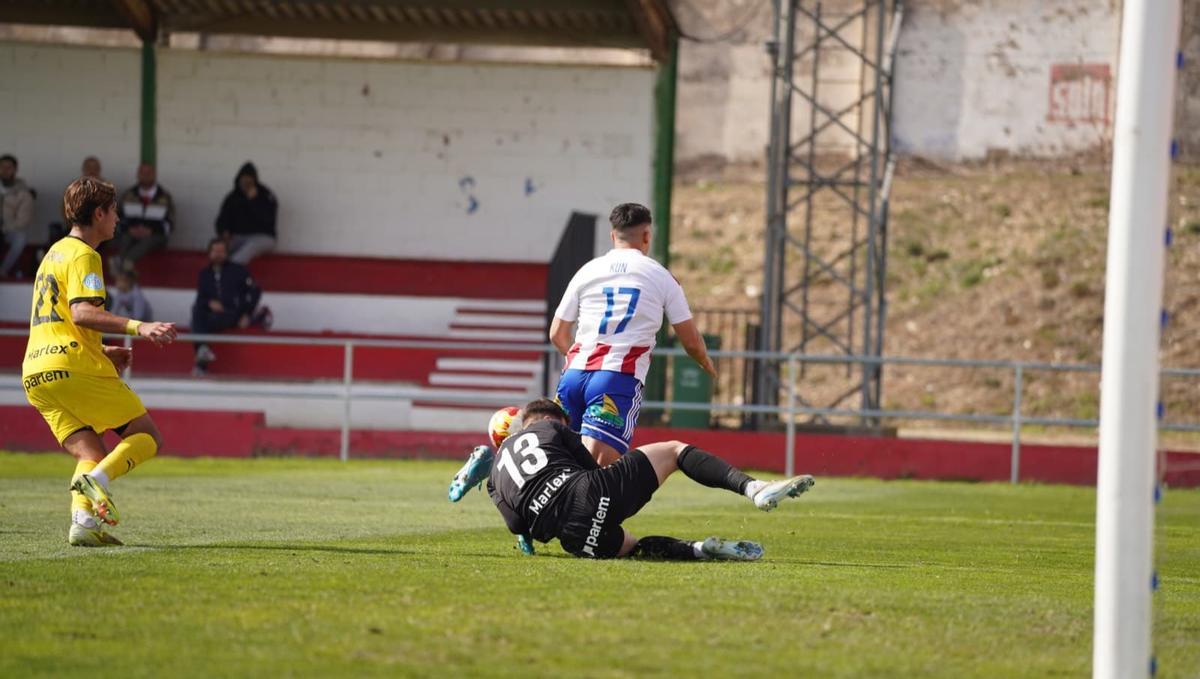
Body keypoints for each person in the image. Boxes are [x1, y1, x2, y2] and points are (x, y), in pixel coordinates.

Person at [22, 176, 177, 547]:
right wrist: (140, 327)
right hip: (73, 367)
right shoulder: (85, 255)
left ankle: (83, 523)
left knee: (91, 451)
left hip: (37, 373)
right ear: (99, 213)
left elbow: (58, 321)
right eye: (114, 212)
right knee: (147, 436)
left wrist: (103, 351)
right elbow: (81, 313)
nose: (118, 220)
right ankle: (97, 483)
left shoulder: (52, 254)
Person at [486, 399, 815, 560]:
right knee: (673, 450)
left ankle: (700, 550)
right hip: (588, 492)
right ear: (545, 418)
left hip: (573, 537)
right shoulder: (551, 426)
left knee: (631, 548)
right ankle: (754, 488)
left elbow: (517, 525)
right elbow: (592, 471)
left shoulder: (492, 477)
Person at [550, 202, 717, 466]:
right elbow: (692, 341)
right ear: (647, 236)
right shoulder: (661, 277)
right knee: (599, 475)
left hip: (572, 377)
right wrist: (705, 362)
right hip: (616, 378)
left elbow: (557, 334)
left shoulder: (587, 271)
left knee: (559, 464)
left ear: (613, 235)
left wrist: (581, 357)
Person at [191, 237, 268, 376]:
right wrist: (209, 303)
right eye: (215, 251)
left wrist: (247, 314)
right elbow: (200, 298)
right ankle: (202, 351)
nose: (218, 254)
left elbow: (255, 291)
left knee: (199, 321)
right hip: (212, 315)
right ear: (209, 253)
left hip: (233, 314)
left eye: (222, 251)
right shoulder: (204, 274)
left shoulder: (238, 271)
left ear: (227, 253)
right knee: (197, 311)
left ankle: (201, 356)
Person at [111, 163, 175, 274]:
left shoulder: (164, 197)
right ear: (137, 174)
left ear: (154, 175)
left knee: (148, 240)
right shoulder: (128, 195)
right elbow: (118, 219)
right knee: (126, 237)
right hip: (131, 233)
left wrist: (151, 230)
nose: (145, 175)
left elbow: (170, 224)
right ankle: (120, 263)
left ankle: (127, 262)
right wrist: (130, 229)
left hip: (155, 236)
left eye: (148, 173)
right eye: (142, 173)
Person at [215, 162, 277, 266]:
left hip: (263, 237)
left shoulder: (265, 195)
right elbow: (222, 219)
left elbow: (268, 219)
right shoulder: (232, 197)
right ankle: (215, 276)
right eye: (243, 180)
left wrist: (253, 201)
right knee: (218, 249)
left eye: (249, 180)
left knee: (249, 248)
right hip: (237, 237)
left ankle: (232, 269)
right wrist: (224, 233)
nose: (245, 184)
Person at [1, 154, 35, 278]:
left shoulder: (23, 193)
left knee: (21, 237)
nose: (4, 170)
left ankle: (3, 271)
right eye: (2, 167)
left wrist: (4, 228)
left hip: (9, 231)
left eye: (8, 167)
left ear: (15, 170)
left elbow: (22, 222)